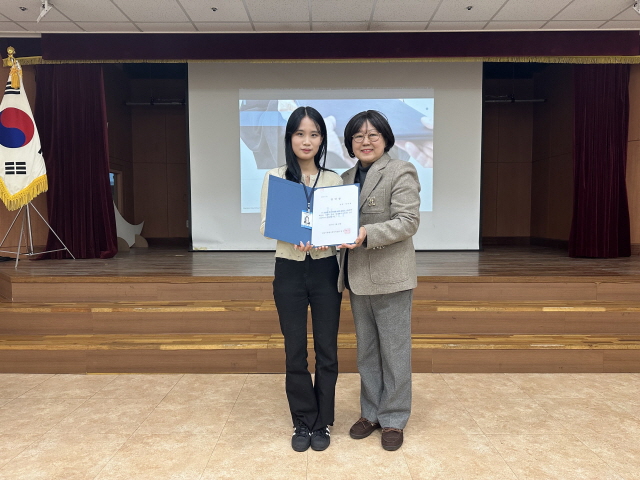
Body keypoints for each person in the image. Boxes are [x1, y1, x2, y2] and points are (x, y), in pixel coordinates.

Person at [260, 106, 343, 452]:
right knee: (295, 351)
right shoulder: (276, 177)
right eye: (300, 133)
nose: (306, 141)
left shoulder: (334, 180)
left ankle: (322, 422)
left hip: (325, 270)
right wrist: (291, 233)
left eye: (314, 134)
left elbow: (341, 228)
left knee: (327, 350)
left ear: (322, 140)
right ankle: (303, 420)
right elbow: (265, 225)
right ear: (289, 138)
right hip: (289, 269)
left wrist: (330, 237)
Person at [338, 110, 420, 451]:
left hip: (391, 277)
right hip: (357, 277)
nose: (366, 141)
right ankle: (370, 413)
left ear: (385, 139)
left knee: (394, 351)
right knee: (367, 351)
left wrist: (366, 233)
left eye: (373, 135)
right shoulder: (344, 178)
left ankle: (394, 418)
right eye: (358, 136)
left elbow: (408, 220)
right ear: (350, 143)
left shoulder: (400, 170)